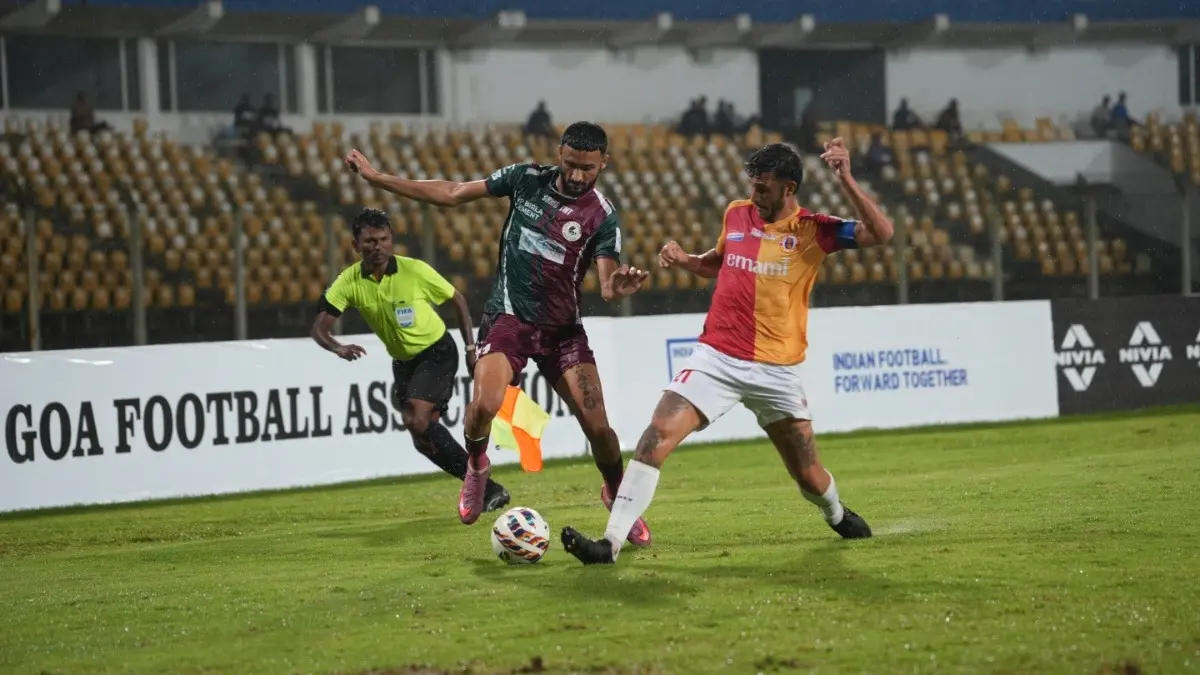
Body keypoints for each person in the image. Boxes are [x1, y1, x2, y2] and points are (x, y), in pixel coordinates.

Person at [560, 139, 893, 565]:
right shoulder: (737, 213)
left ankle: (836, 512)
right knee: (653, 438)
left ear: (789, 187)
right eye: (752, 185)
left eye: (764, 188)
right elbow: (720, 261)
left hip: (777, 371)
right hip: (716, 358)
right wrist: (685, 261)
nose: (755, 195)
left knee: (808, 475)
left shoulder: (814, 229)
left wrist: (845, 178)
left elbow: (882, 234)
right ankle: (610, 544)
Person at [343, 122, 653, 541]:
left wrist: (619, 286)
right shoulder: (525, 179)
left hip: (563, 332)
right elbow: (452, 193)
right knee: (486, 404)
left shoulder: (602, 214)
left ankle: (617, 496)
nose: (578, 175)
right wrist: (379, 179)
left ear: (604, 163)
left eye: (589, 168)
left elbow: (608, 284)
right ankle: (476, 467)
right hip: (509, 319)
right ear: (559, 152)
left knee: (599, 429)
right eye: (571, 164)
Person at [311, 207, 511, 513]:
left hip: (437, 352)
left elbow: (456, 299)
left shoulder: (414, 270)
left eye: (383, 239)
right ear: (355, 245)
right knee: (421, 437)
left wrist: (472, 348)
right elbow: (319, 328)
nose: (377, 247)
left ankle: (483, 484)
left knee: (417, 420)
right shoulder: (348, 282)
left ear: (392, 241)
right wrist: (336, 346)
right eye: (369, 242)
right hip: (404, 364)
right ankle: (484, 486)